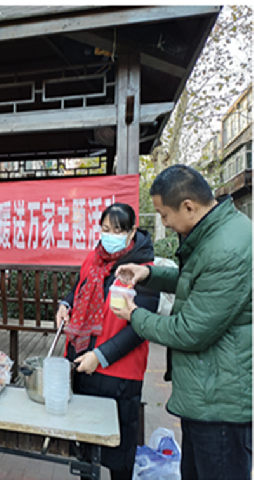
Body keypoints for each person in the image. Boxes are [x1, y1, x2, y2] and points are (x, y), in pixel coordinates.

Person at [113, 164, 252, 480]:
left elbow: (190, 331)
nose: (163, 222)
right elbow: (196, 282)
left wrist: (134, 315)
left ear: (188, 206)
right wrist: (149, 273)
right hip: (207, 393)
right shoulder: (217, 233)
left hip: (220, 403)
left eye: (164, 215)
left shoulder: (227, 249)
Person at [56, 202, 160, 479]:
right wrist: (66, 304)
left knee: (118, 456)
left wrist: (100, 356)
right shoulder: (94, 258)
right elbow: (78, 289)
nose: (109, 236)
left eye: (117, 230)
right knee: (85, 452)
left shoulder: (144, 271)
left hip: (119, 375)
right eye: (105, 229)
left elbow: (139, 328)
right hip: (82, 364)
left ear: (132, 232)